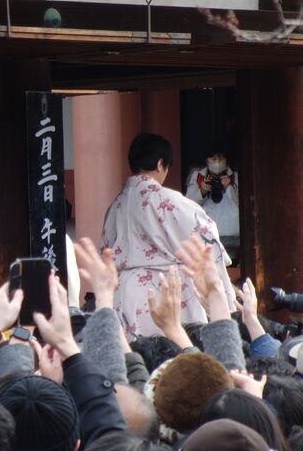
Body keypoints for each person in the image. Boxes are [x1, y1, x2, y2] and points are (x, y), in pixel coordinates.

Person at [100, 133, 234, 337]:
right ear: (161, 164)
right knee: (175, 358)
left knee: (132, 360)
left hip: (122, 293)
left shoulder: (115, 206)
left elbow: (105, 250)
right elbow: (207, 236)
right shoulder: (171, 201)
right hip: (165, 291)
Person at [185, 147, 239, 239]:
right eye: (213, 159)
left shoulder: (234, 177)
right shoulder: (198, 177)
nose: (217, 162)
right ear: (207, 161)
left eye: (221, 159)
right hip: (205, 234)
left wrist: (229, 187)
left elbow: (240, 204)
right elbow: (188, 205)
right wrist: (202, 192)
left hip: (231, 232)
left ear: (227, 161)